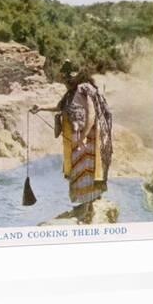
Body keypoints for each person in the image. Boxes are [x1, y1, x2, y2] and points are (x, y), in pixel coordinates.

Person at [30, 60, 113, 210]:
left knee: (86, 167)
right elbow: (58, 107)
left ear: (74, 77)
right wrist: (40, 108)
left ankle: (90, 205)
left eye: (67, 78)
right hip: (77, 136)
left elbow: (92, 114)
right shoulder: (71, 93)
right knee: (79, 168)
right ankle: (87, 203)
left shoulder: (84, 88)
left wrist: (83, 138)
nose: (65, 81)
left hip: (88, 137)